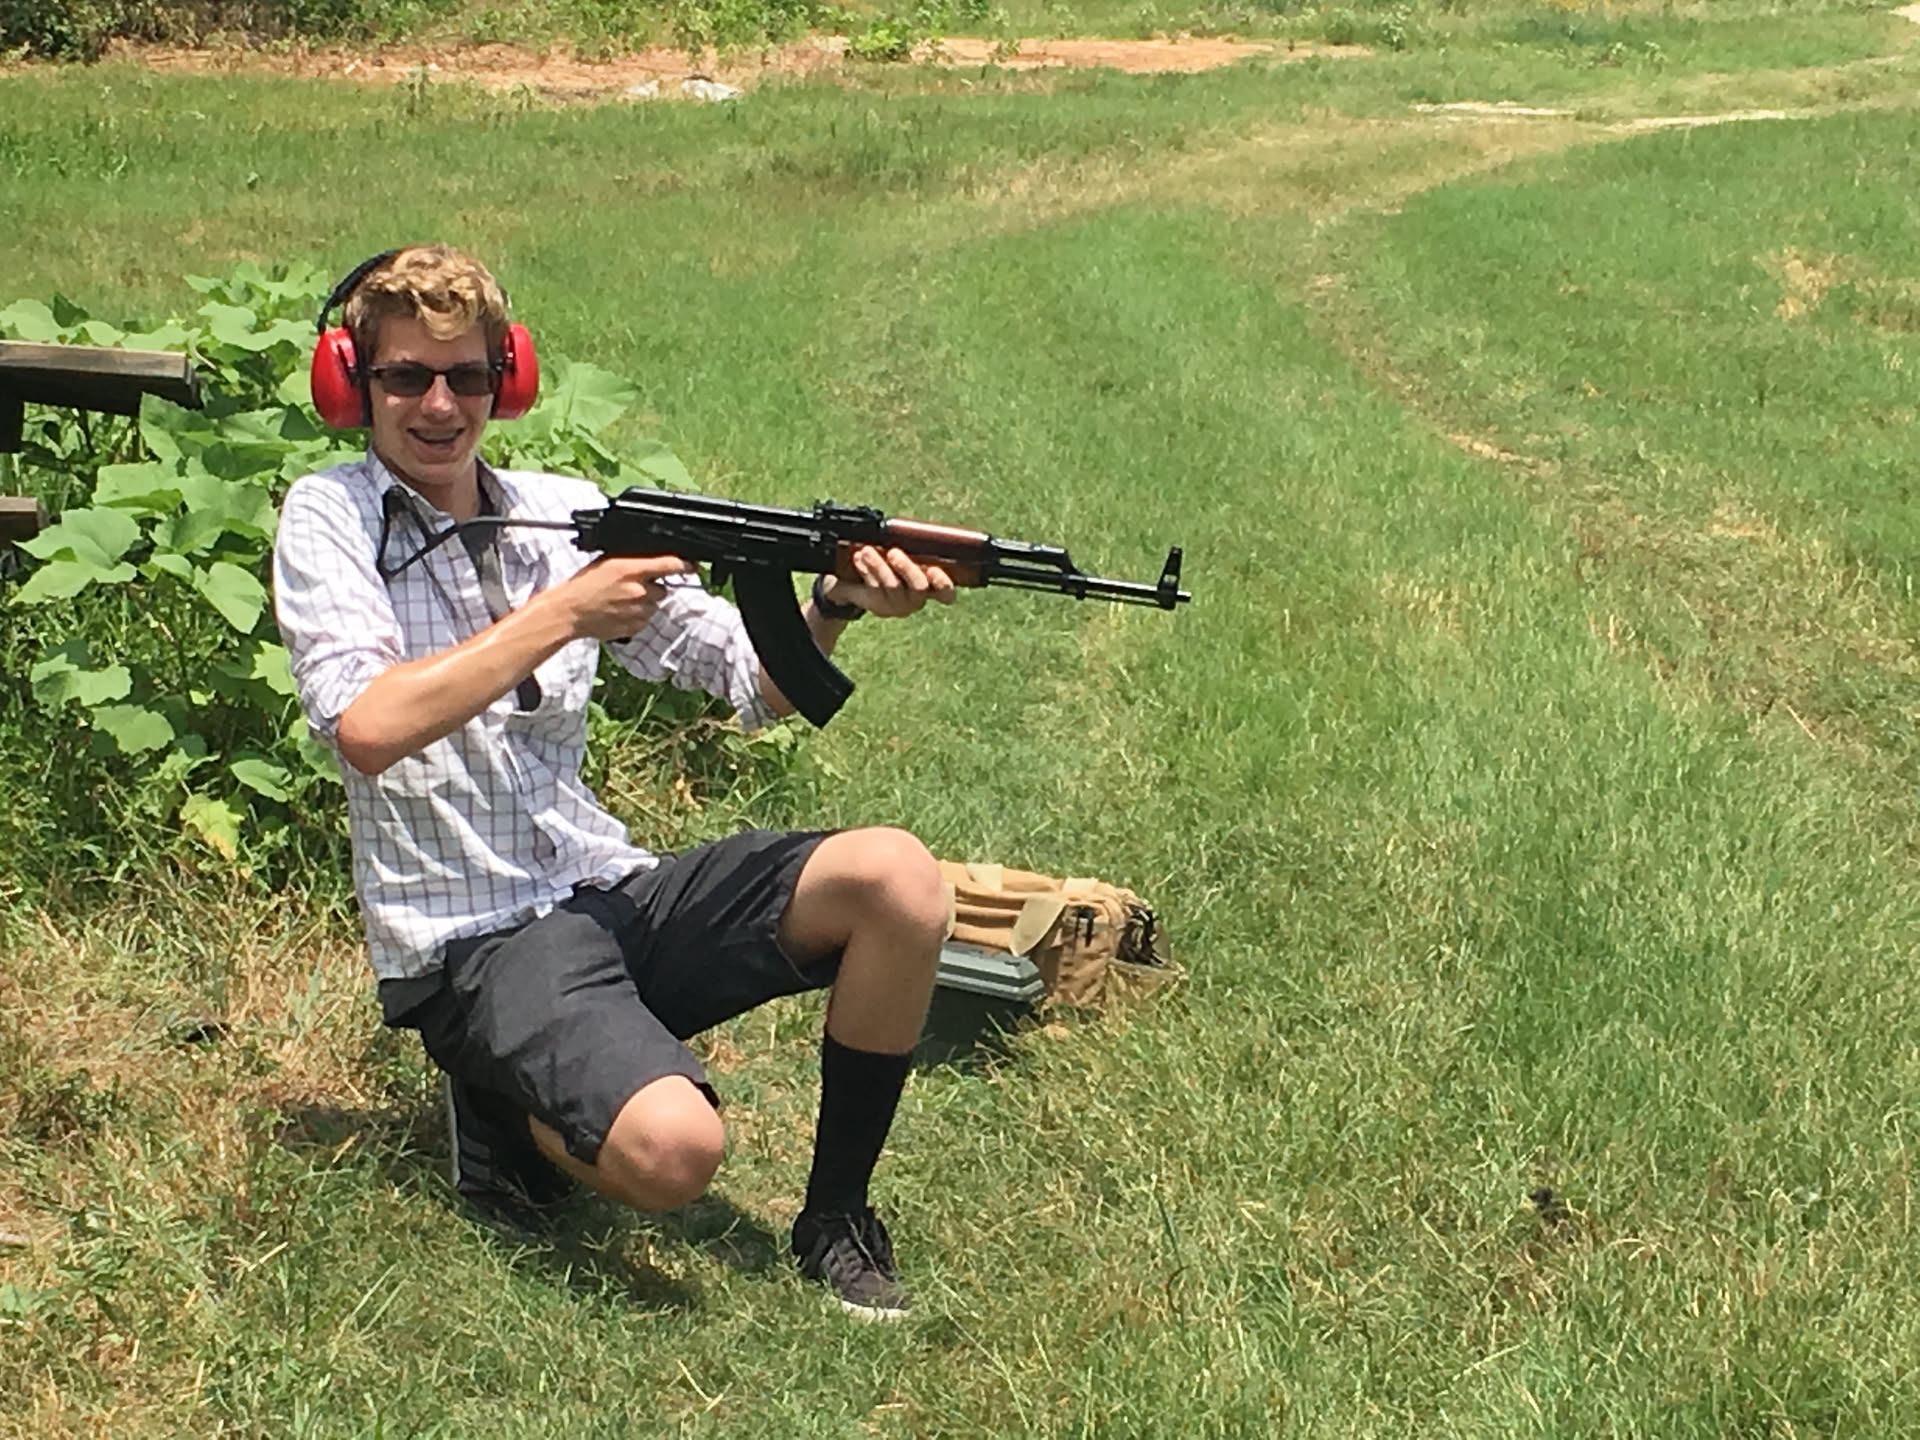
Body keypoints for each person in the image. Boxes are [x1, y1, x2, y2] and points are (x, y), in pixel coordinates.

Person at [272, 244, 956, 1322]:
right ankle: (501, 1106)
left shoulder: (563, 511)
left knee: (899, 880)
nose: (440, 405)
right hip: (473, 945)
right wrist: (562, 614)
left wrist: (833, 605)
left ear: (508, 377)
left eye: (467, 376)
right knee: (679, 1152)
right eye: (406, 377)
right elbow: (368, 727)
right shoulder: (330, 515)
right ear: (354, 382)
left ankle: (835, 1217)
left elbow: (750, 683)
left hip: (606, 889)